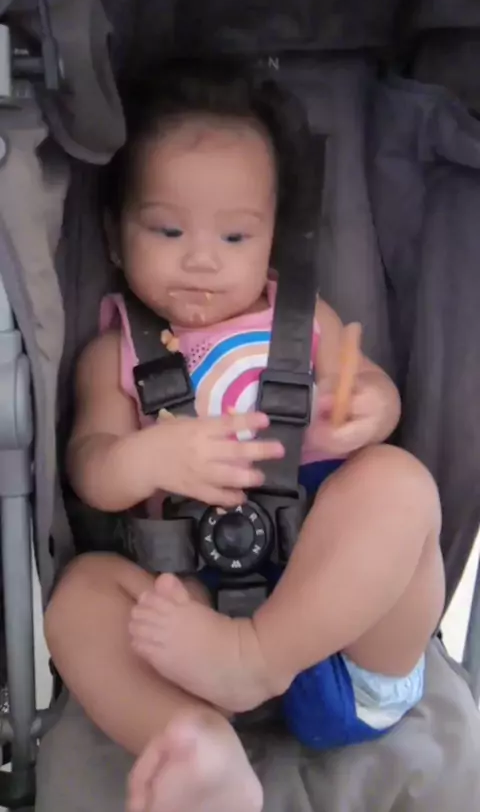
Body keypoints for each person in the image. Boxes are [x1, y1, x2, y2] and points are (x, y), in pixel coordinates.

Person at [44, 59, 445, 812]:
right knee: (77, 598)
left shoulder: (300, 319)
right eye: (168, 229)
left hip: (340, 639)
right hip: (185, 631)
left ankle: (256, 656)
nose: (201, 257)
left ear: (272, 243)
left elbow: (372, 389)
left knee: (398, 485)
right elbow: (89, 467)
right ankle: (200, 752)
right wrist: (145, 457)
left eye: (234, 235)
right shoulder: (114, 354)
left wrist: (368, 407)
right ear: (116, 237)